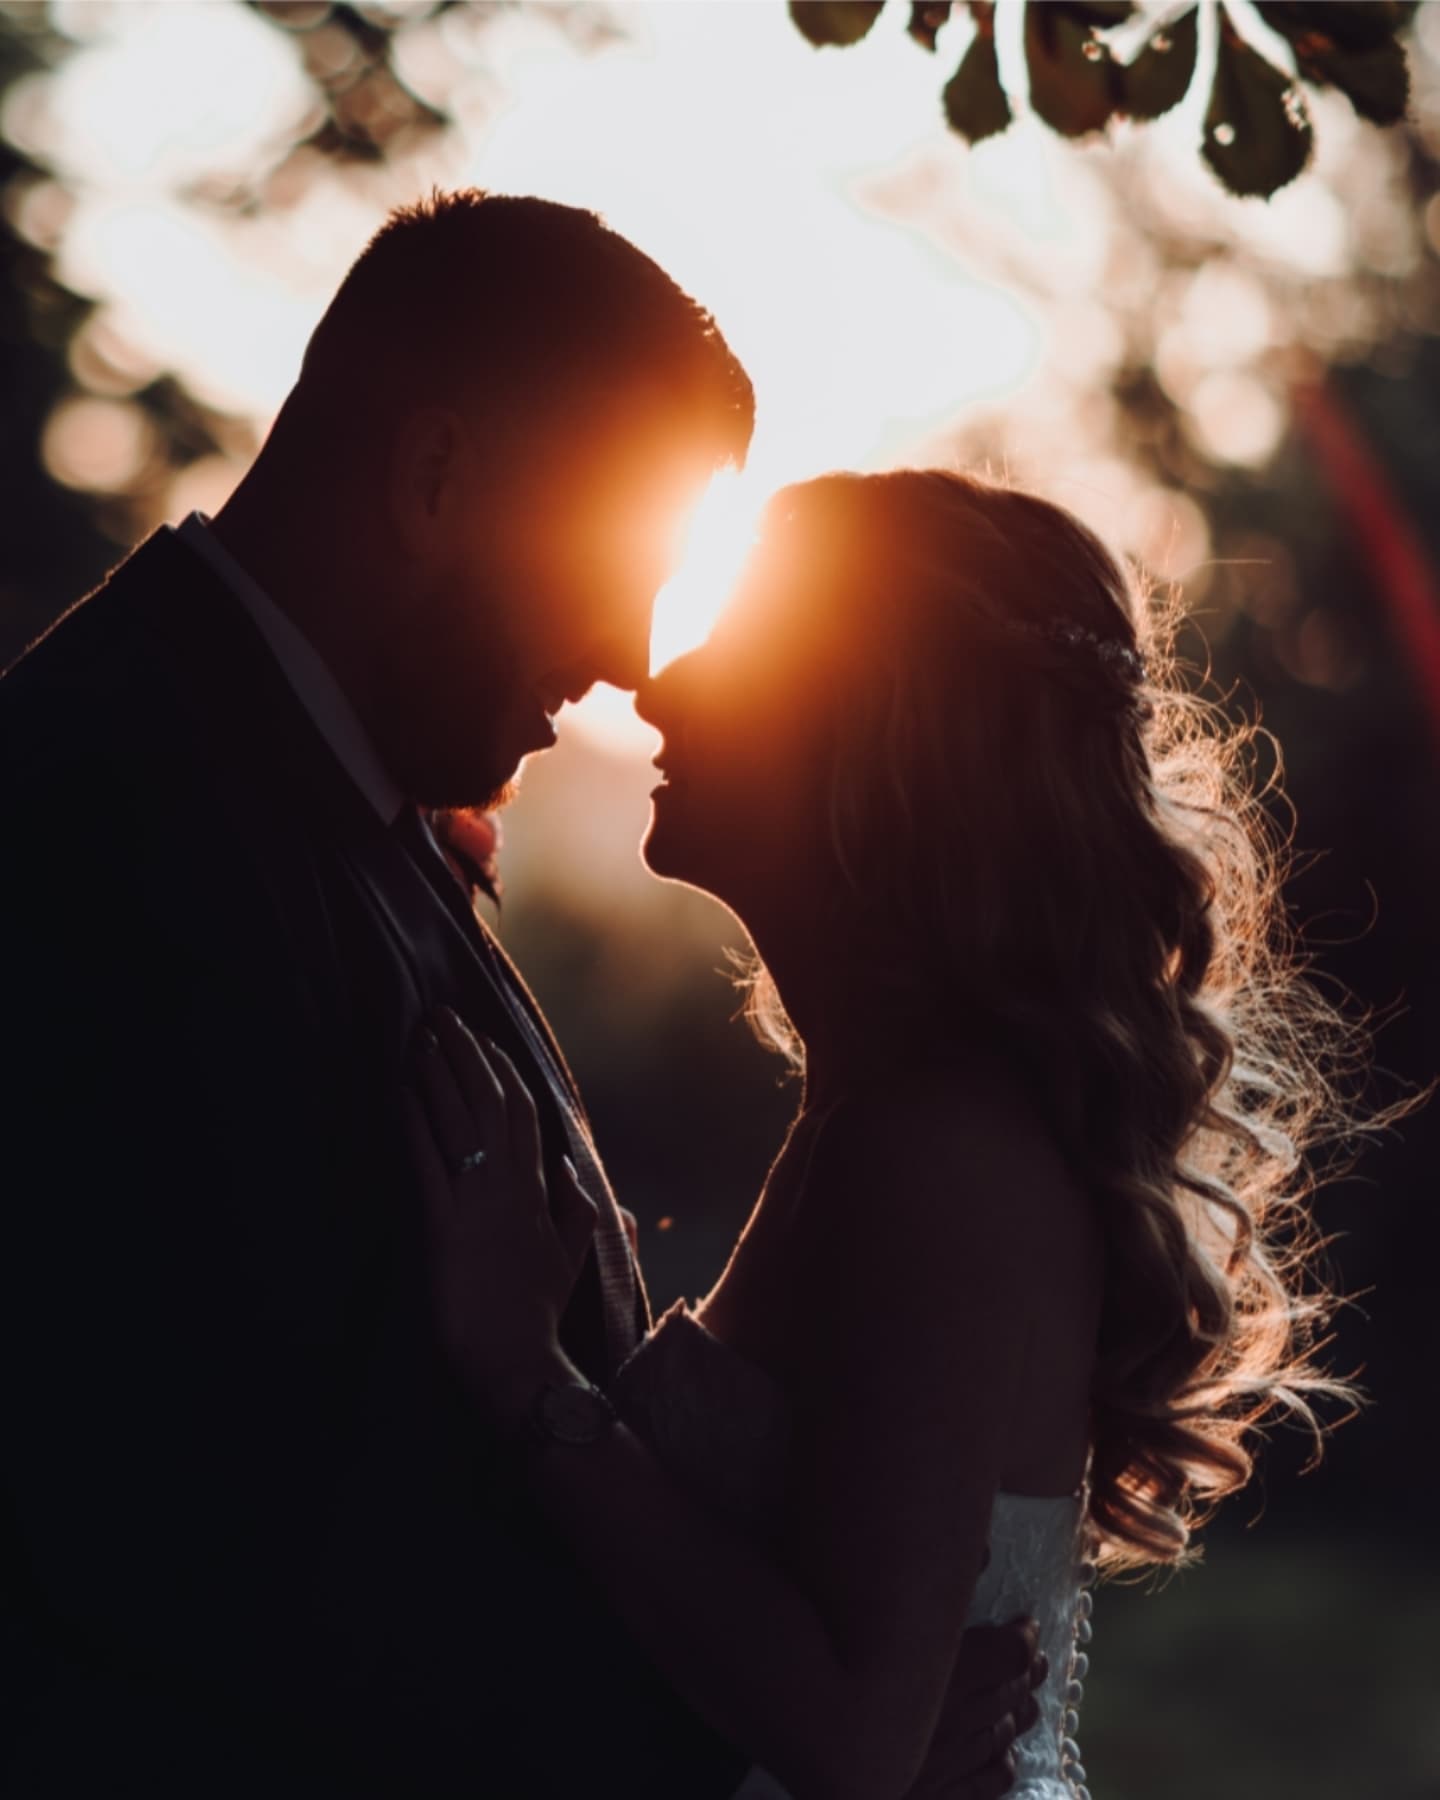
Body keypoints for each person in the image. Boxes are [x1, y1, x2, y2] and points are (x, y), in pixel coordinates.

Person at [0, 195, 1039, 1797]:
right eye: (618, 565)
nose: (632, 654)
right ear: (436, 480)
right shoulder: (105, 822)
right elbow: (191, 1545)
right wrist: (742, 1747)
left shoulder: (328, 797)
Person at [406, 470, 1360, 1799]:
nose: (658, 688)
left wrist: (530, 1382)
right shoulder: (889, 1115)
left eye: (738, 641)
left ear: (872, 725)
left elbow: (854, 1740)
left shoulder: (939, 1154)